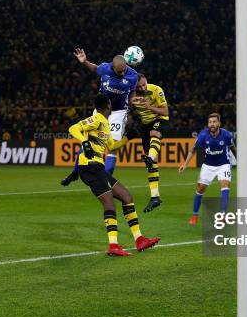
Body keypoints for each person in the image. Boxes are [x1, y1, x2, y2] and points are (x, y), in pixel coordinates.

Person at [68, 94, 160, 256]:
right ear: (107, 106)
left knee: (127, 197)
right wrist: (85, 142)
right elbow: (73, 128)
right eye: (110, 104)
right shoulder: (96, 119)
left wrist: (128, 138)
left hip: (98, 169)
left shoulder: (105, 123)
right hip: (89, 168)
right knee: (109, 204)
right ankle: (113, 246)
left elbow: (112, 145)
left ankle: (139, 239)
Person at [60, 49, 138, 185]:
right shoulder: (105, 69)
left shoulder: (133, 76)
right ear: (113, 67)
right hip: (101, 110)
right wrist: (85, 62)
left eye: (123, 70)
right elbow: (94, 68)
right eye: (119, 72)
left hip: (118, 113)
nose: (122, 73)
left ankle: (106, 178)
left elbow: (132, 94)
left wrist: (134, 103)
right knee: (88, 142)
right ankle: (75, 172)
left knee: (112, 147)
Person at [179, 113, 236, 225]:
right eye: (210, 122)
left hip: (223, 164)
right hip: (208, 165)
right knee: (200, 189)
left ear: (219, 123)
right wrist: (185, 164)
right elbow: (193, 150)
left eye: (214, 122)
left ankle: (223, 215)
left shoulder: (226, 135)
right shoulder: (203, 135)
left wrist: (240, 161)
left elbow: (233, 148)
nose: (212, 124)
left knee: (225, 185)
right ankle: (194, 215)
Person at [131, 73, 169, 212]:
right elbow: (129, 107)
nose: (143, 87)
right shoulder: (132, 95)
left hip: (160, 119)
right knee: (152, 166)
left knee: (155, 134)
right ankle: (155, 197)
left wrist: (149, 106)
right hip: (144, 125)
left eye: (144, 84)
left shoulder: (156, 90)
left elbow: (165, 111)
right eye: (139, 86)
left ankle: (150, 157)